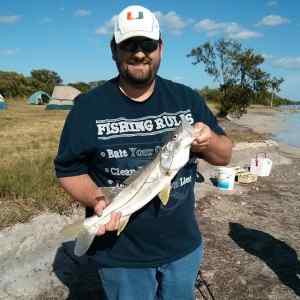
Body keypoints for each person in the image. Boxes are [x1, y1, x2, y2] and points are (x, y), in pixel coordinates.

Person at [54, 5, 233, 300]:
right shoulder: (87, 107)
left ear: (161, 47)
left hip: (182, 249)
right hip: (120, 256)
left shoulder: (187, 98)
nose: (139, 53)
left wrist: (210, 139)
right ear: (114, 50)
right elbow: (68, 171)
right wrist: (99, 202)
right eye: (129, 45)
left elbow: (224, 156)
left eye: (148, 44)